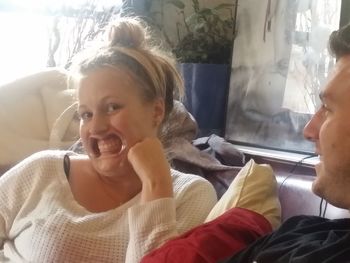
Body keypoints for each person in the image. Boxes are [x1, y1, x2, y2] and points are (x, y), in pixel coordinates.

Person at [0, 17, 217, 262]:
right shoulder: (42, 170)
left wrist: (156, 185)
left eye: (112, 107)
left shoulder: (191, 195)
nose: (96, 127)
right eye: (86, 114)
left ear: (156, 112)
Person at [142, 22, 350, 263]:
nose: (309, 130)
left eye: (328, 109)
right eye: (86, 114)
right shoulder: (302, 232)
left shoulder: (191, 191)